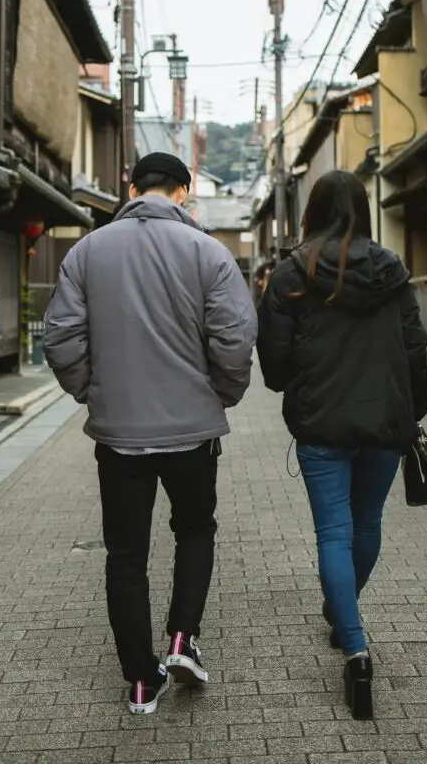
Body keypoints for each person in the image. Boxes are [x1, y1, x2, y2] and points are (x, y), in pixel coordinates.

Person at [43, 152, 257, 715]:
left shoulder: (87, 252)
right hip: (193, 431)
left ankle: (142, 681)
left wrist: (91, 391)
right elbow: (235, 339)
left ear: (132, 188)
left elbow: (60, 339)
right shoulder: (210, 253)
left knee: (125, 554)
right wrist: (223, 393)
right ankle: (183, 640)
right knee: (195, 529)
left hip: (117, 435)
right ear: (184, 193)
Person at [256, 170, 427, 721]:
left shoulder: (291, 273)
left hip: (321, 426)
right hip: (384, 423)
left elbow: (276, 366)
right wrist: (411, 411)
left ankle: (355, 649)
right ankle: (344, 617)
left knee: (333, 532)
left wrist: (300, 380)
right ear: (363, 209)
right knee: (366, 525)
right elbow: (414, 347)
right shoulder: (391, 270)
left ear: (313, 211)